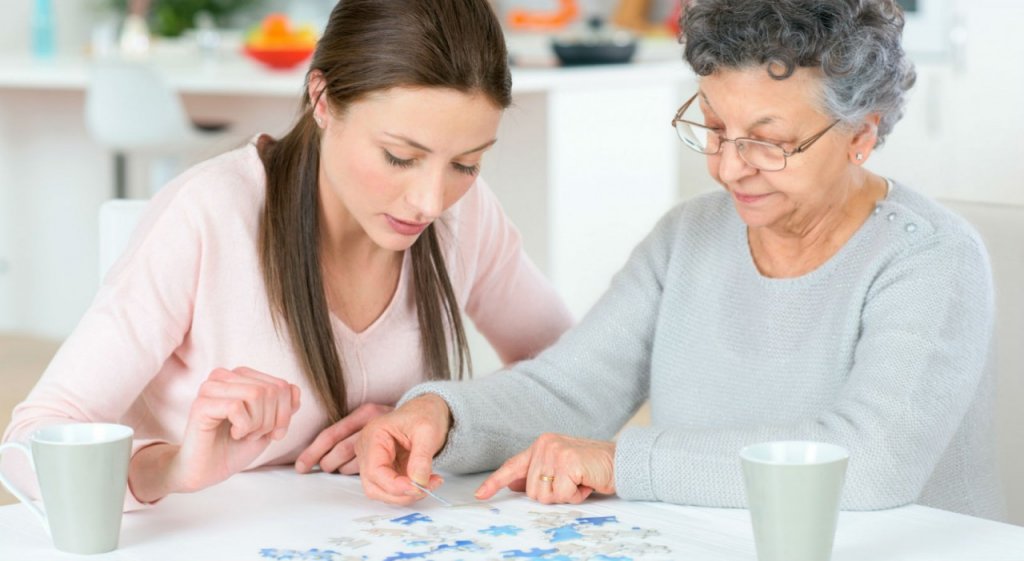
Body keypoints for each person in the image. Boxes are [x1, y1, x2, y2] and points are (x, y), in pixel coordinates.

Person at [355, 0, 1004, 520]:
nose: (727, 167)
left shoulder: (931, 258)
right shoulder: (688, 236)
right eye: (715, 128)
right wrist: (442, 416)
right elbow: (570, 390)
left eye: (769, 143)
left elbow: (869, 461)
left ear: (861, 134)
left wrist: (621, 463)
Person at [1, 0, 573, 509]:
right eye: (400, 156)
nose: (430, 201)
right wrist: (170, 468)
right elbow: (28, 444)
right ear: (322, 100)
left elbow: (576, 381)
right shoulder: (209, 214)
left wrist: (443, 416)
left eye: (466, 164)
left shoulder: (466, 216)